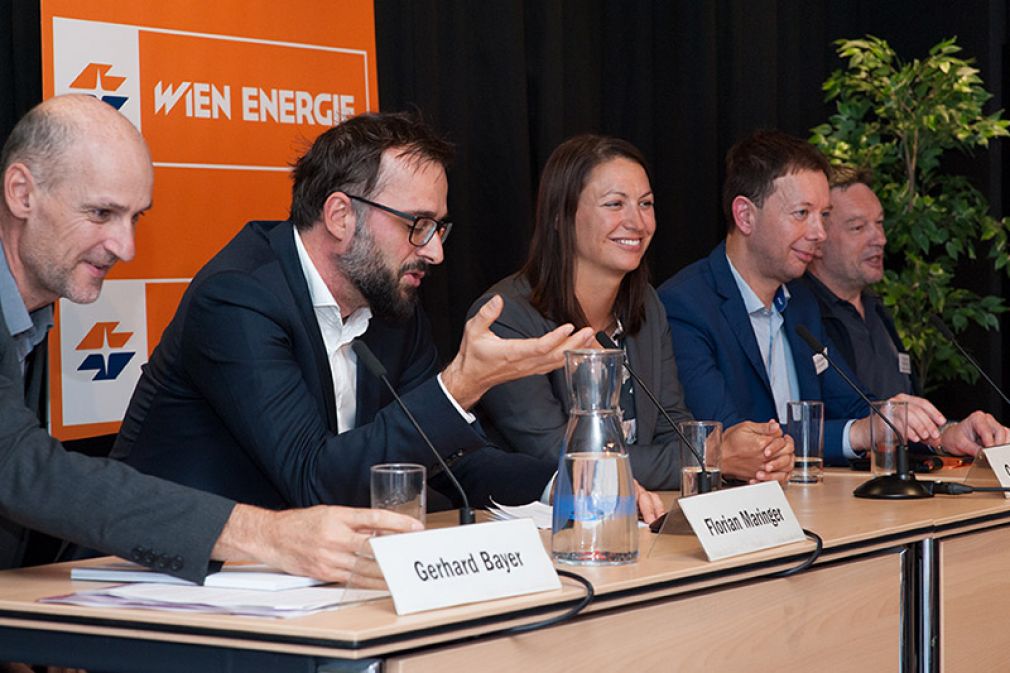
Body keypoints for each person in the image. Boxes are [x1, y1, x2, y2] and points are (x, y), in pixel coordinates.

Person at [110, 112, 662, 521]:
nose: (435, 251)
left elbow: (452, 460)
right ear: (341, 215)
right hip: (156, 582)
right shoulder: (238, 300)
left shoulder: (394, 309)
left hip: (297, 580)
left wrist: (575, 484)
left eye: (440, 228)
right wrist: (458, 388)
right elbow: (312, 477)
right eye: (417, 224)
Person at [0, 95, 425, 587]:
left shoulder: (30, 316)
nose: (126, 248)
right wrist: (267, 534)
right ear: (21, 193)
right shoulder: (241, 292)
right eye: (100, 213)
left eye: (135, 218)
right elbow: (20, 466)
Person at [471, 134, 793, 490]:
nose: (637, 223)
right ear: (560, 216)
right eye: (614, 204)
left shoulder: (647, 306)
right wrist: (712, 456)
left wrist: (753, 450)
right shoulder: (507, 317)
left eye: (645, 204)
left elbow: (673, 425)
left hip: (640, 517)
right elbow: (559, 455)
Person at [657, 130, 990, 465]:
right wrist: (860, 431)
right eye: (802, 214)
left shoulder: (801, 302)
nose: (819, 233)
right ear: (745, 216)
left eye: (824, 215)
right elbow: (730, 443)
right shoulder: (685, 306)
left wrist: (946, 434)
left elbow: (857, 406)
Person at [804, 166, 1009, 455]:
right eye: (858, 227)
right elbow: (803, 430)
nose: (880, 239)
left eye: (880, 223)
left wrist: (946, 434)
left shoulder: (879, 313)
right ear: (818, 239)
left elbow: (902, 422)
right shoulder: (799, 319)